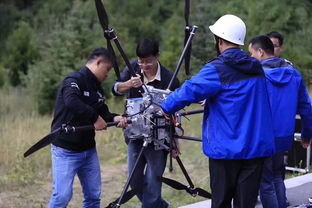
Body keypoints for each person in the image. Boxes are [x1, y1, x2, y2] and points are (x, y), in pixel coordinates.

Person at [161, 14, 276, 208]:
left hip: (226, 151)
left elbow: (190, 90)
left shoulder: (218, 68)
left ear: (220, 40)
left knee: (221, 203)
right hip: (255, 149)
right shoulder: (256, 67)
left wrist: (166, 107)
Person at [49, 48, 128, 208]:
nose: (107, 76)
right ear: (98, 62)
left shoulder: (97, 88)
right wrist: (94, 118)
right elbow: (72, 101)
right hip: (65, 150)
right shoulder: (73, 80)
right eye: (107, 70)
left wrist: (115, 118)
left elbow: (102, 112)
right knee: (62, 196)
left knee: (93, 196)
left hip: (88, 151)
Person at [112, 39, 179, 208]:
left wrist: (175, 141)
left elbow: (176, 112)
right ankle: (162, 206)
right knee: (134, 181)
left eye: (148, 61)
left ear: (157, 56)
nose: (144, 65)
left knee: (153, 181)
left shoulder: (170, 79)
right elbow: (115, 89)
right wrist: (128, 84)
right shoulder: (133, 68)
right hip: (135, 135)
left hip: (159, 138)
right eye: (141, 61)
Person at [248, 35, 312, 208]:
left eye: (251, 53)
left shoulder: (257, 76)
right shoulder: (294, 73)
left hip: (263, 137)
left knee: (266, 183)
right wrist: (307, 134)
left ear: (260, 52)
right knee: (278, 176)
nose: (251, 58)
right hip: (285, 137)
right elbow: (307, 106)